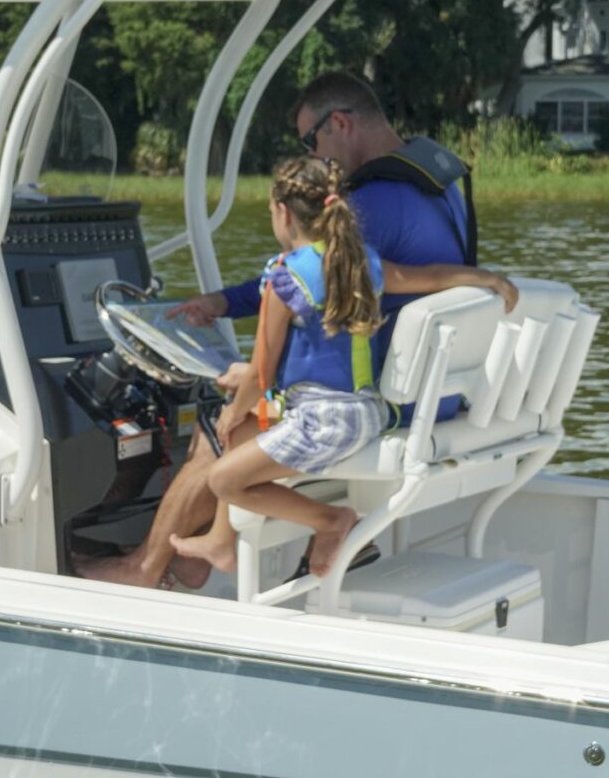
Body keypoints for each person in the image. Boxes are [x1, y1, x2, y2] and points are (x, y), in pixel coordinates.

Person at [76, 71, 513, 589]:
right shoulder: (431, 188)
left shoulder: (368, 208)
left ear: (341, 124)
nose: (317, 154)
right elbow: (331, 277)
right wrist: (222, 302)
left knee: (223, 426)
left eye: (312, 140)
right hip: (428, 390)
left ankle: (143, 567)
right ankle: (205, 550)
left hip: (384, 399)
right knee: (240, 412)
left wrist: (248, 375)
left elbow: (293, 282)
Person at [169, 157, 516, 576]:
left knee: (222, 478)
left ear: (283, 213)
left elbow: (262, 372)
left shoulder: (285, 280)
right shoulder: (361, 263)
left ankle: (331, 521)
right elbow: (431, 275)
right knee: (243, 434)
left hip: (324, 421)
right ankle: (222, 543)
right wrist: (486, 279)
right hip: (365, 412)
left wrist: (231, 408)